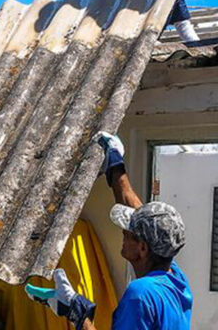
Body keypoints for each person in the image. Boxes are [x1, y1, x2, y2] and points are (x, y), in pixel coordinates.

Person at [25, 132, 193, 330]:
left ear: (142, 248)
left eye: (129, 233)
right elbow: (138, 211)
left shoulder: (140, 295)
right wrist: (115, 166)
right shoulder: (176, 281)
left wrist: (77, 313)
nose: (123, 232)